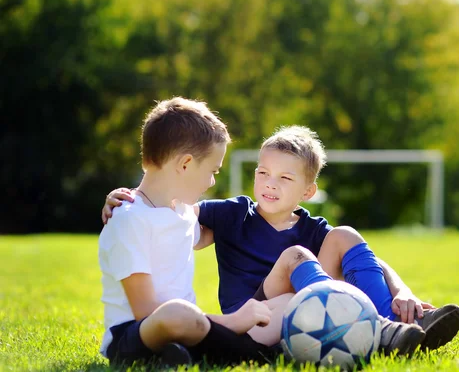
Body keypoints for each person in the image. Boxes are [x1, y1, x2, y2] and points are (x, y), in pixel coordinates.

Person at [103, 125, 459, 353]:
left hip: (297, 311)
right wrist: (126, 198)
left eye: (285, 179)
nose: (270, 184)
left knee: (345, 236)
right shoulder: (232, 213)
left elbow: (369, 261)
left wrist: (402, 291)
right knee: (296, 256)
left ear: (308, 190)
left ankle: (396, 326)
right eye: (263, 173)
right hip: (251, 320)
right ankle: (381, 331)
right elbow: (174, 213)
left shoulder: (312, 228)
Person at [99, 98, 332, 368]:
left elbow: (223, 234)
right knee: (178, 313)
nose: (212, 181)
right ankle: (246, 347)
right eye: (212, 171)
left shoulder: (183, 213)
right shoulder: (129, 220)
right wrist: (233, 321)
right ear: (185, 164)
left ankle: (214, 353)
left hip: (192, 330)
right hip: (135, 335)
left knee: (289, 302)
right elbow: (147, 313)